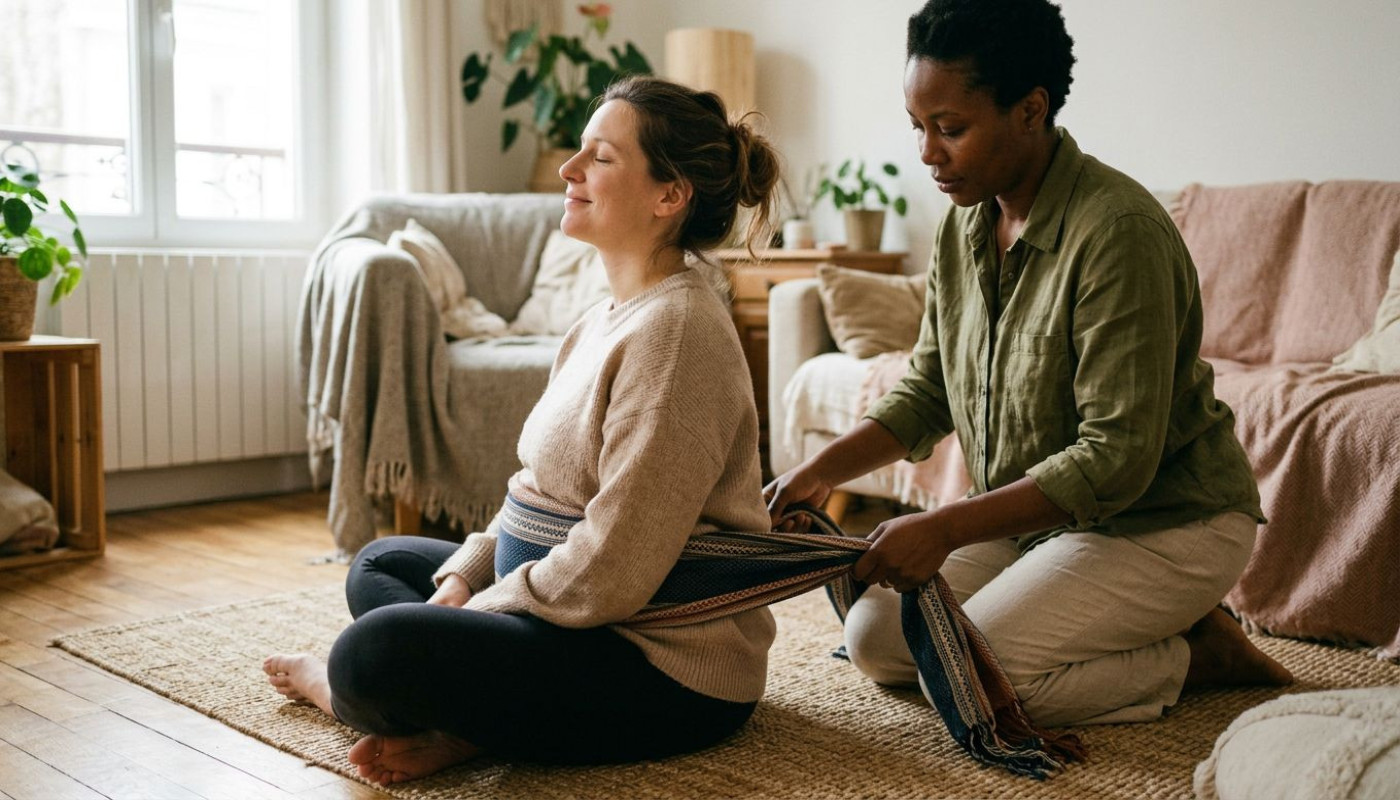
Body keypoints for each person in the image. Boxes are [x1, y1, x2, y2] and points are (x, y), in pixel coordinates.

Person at [766, 0, 1293, 730]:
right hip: (1040, 523)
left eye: (949, 129)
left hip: (1165, 523)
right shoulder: (964, 226)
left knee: (982, 679)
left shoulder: (1119, 232)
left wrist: (945, 526)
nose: (927, 153)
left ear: (1030, 109)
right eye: (918, 126)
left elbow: (1115, 459)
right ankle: (1109, 628)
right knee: (877, 642)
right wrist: (815, 473)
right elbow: (928, 389)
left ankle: (1198, 655)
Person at [264, 75, 781, 785]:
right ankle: (477, 724)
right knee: (381, 565)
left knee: (368, 656)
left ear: (670, 195)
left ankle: (360, 694)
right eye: (580, 151)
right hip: (561, 614)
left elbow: (618, 566)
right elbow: (534, 488)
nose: (569, 171)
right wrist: (469, 576)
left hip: (658, 663)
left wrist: (482, 605)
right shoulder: (602, 319)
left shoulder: (680, 332)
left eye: (600, 157)